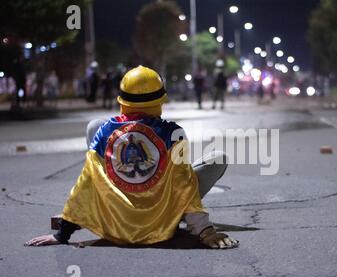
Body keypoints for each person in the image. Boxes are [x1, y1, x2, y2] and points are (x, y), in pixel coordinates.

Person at [25, 66, 238, 249]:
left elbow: (86, 182)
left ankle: (97, 212)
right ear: (160, 100)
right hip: (159, 224)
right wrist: (204, 230)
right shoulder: (174, 132)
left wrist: (62, 233)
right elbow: (184, 185)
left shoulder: (105, 130)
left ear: (122, 100)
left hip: (115, 224)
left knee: (94, 130)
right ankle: (181, 216)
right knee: (217, 158)